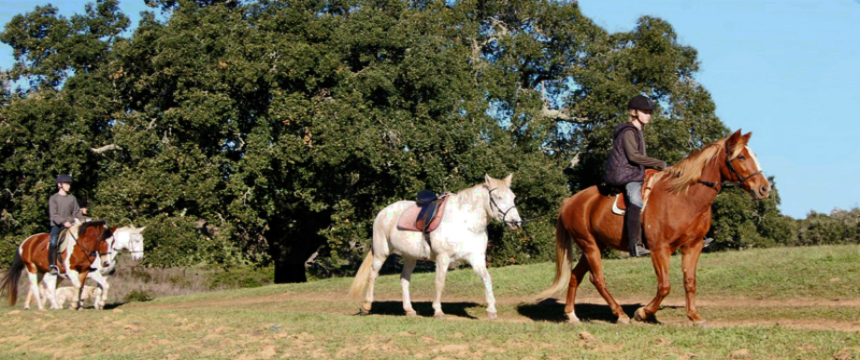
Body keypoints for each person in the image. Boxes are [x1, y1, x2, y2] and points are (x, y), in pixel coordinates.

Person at [604, 95, 667, 257]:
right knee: (636, 200)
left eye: (650, 112)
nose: (648, 115)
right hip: (625, 174)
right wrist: (659, 162)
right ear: (633, 112)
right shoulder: (628, 132)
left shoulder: (638, 132)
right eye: (645, 112)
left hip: (635, 171)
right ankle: (635, 245)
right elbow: (633, 157)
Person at [48, 174, 87, 275]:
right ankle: (52, 265)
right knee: (53, 242)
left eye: (69, 184)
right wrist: (63, 222)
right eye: (66, 184)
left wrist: (83, 220)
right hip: (57, 224)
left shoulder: (72, 198)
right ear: (59, 185)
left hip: (71, 223)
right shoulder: (54, 198)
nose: (69, 186)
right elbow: (54, 214)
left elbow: (77, 212)